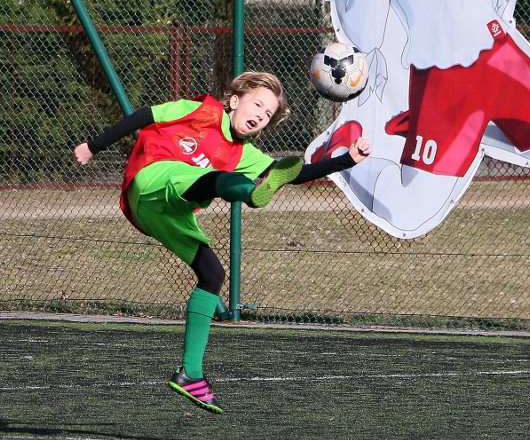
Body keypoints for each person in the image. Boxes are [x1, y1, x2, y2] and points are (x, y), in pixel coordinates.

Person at [74, 71, 372, 415]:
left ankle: (190, 373)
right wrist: (93, 146)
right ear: (234, 101)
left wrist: (347, 159)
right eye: (257, 104)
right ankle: (250, 194)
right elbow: (145, 116)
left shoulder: (247, 155)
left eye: (267, 115)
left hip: (167, 211)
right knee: (214, 179)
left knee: (213, 275)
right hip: (152, 177)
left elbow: (296, 174)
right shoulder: (202, 112)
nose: (260, 115)